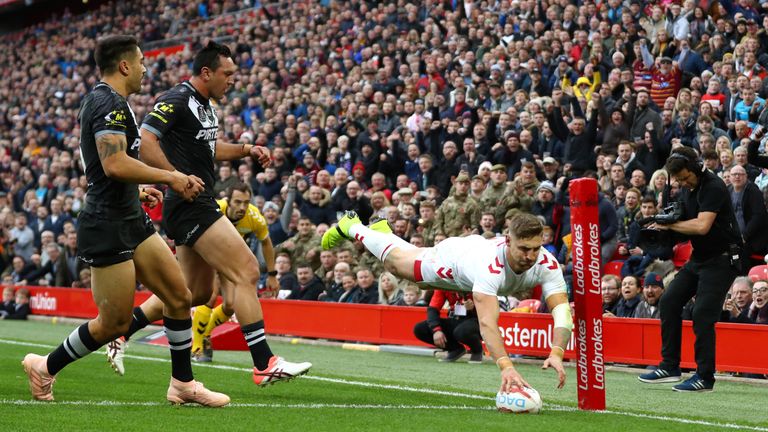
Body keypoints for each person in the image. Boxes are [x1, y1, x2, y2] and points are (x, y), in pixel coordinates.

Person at [21, 35, 228, 406]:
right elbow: (113, 164)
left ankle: (182, 383)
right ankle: (44, 366)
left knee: (179, 296)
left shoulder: (115, 103)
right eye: (143, 61)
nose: (147, 69)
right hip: (107, 224)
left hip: (131, 217)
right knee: (113, 324)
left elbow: (108, 168)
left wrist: (138, 190)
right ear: (124, 65)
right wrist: (170, 177)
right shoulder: (107, 102)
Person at [108, 41, 310, 386]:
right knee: (247, 270)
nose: (232, 80)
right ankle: (264, 362)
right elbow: (146, 139)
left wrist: (247, 149)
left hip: (191, 203)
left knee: (192, 294)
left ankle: (121, 331)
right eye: (227, 74)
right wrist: (176, 176)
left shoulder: (205, 106)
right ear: (206, 73)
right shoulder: (177, 98)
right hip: (191, 203)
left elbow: (210, 147)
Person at [322, 211, 571, 391]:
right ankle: (351, 225)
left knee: (404, 261)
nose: (530, 256)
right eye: (524, 248)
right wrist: (506, 366)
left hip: (471, 260)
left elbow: (561, 310)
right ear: (508, 241)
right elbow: (487, 323)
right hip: (454, 260)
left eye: (536, 248)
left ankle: (382, 233)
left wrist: (558, 352)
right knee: (397, 266)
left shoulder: (545, 263)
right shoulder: (489, 267)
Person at [639, 147, 743, 392]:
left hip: (723, 258)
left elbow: (701, 226)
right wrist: (661, 225)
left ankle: (704, 377)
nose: (684, 183)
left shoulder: (714, 186)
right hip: (700, 257)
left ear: (696, 167)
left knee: (703, 314)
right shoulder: (689, 189)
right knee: (669, 301)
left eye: (686, 177)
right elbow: (683, 224)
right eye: (680, 180)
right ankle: (670, 366)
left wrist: (672, 224)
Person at [187, 182, 278, 363]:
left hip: (230, 258)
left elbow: (266, 243)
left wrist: (272, 274)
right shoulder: (216, 209)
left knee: (230, 305)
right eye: (237, 202)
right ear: (228, 200)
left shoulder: (255, 218)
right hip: (208, 254)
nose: (242, 207)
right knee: (210, 296)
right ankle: (196, 347)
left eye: (246, 202)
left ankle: (205, 333)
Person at [413, 289, 483, 363]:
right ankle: (455, 349)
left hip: (477, 320)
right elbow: (433, 309)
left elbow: (489, 308)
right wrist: (436, 330)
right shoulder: (443, 284)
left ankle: (477, 351)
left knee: (461, 331)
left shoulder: (477, 284)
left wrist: (475, 307)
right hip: (455, 318)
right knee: (420, 329)